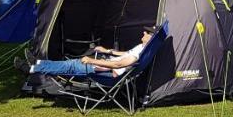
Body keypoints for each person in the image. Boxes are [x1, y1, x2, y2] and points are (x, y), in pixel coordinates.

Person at [28, 27, 157, 77]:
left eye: (148, 33)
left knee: (70, 66)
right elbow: (125, 54)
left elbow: (118, 65)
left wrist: (92, 60)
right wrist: (107, 50)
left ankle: (32, 69)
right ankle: (38, 62)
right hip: (106, 65)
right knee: (72, 63)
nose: (144, 33)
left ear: (151, 38)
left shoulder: (138, 54)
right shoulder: (142, 48)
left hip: (106, 73)